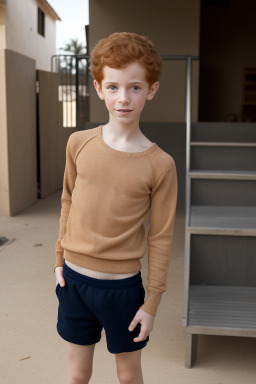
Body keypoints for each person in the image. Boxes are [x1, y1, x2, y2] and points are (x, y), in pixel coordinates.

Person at [54, 32, 178, 384]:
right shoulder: (78, 143)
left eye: (135, 87)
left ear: (151, 90)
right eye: (113, 87)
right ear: (99, 87)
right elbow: (68, 201)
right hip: (73, 282)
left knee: (127, 376)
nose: (123, 98)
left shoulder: (161, 165)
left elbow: (161, 237)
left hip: (122, 290)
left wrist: (151, 303)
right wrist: (59, 260)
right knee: (77, 375)